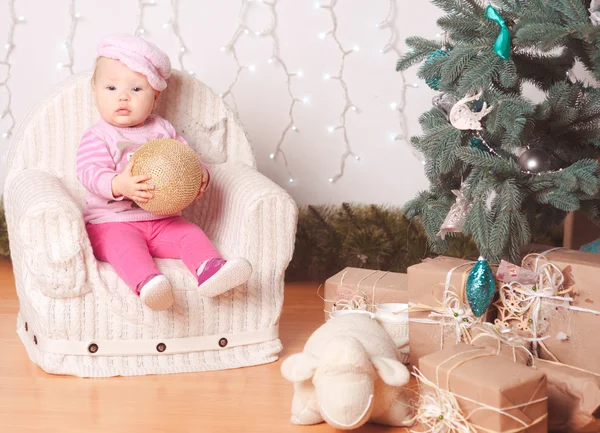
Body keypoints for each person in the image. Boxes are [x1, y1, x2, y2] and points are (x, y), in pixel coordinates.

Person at [76, 34, 252, 311]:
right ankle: (148, 283)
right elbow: (88, 172)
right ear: (95, 92)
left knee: (190, 234)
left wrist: (200, 176)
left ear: (155, 98)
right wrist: (119, 183)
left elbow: (186, 161)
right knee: (125, 248)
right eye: (111, 88)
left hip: (162, 221)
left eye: (136, 90)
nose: (123, 96)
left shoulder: (163, 130)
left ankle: (210, 270)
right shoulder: (99, 136)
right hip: (110, 222)